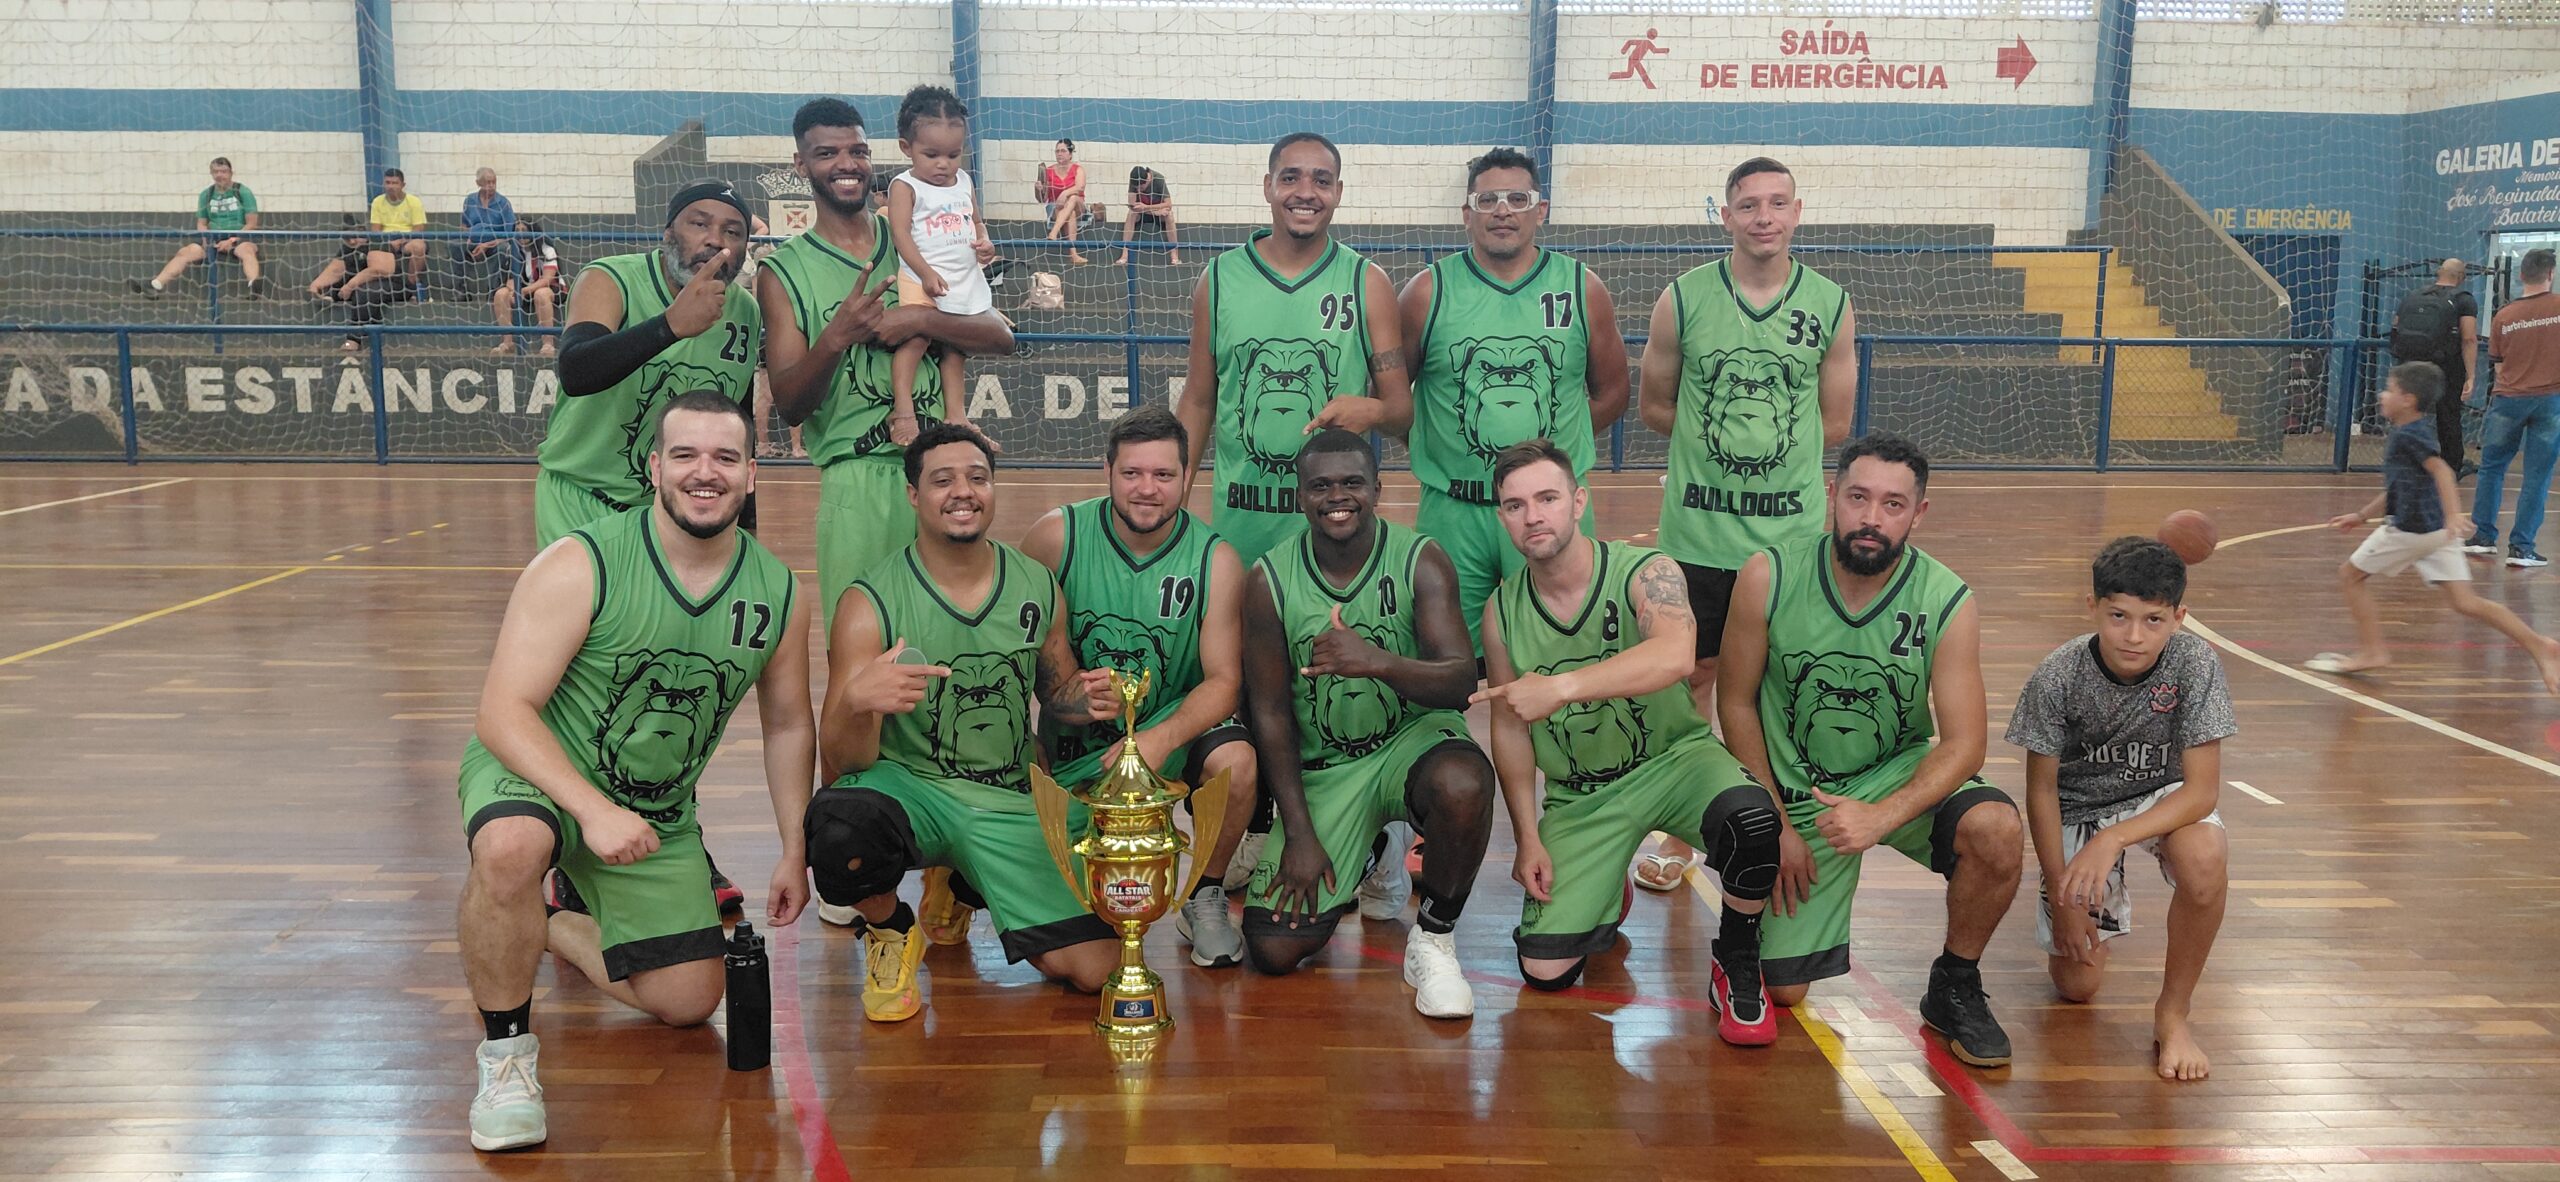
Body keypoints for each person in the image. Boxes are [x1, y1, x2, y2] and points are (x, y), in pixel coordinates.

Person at [454, 389, 814, 1153]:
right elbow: (503, 712)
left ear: (753, 473)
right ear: (654, 468)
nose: (703, 473)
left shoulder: (778, 591)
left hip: (653, 809)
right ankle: (507, 1059)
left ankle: (550, 925)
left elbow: (786, 722)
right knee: (513, 847)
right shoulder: (580, 562)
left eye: (724, 458)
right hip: (537, 774)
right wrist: (590, 812)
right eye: (685, 455)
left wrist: (793, 846)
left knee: (687, 1001)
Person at [1718, 433, 2023, 1068]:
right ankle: (1743, 945)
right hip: (1797, 792)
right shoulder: (1768, 575)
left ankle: (1955, 983)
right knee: (1786, 989)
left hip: (1895, 774)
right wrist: (1774, 822)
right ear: (1831, 496)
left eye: (1892, 504)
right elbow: (1736, 704)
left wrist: (1884, 814)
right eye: (1858, 498)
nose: (1871, 518)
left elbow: (1966, 743)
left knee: (1995, 829)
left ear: (1918, 513)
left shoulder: (1946, 599)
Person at [801, 423, 1123, 1021]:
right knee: (842, 826)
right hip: (914, 790)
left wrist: (1095, 698)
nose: (963, 491)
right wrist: (857, 701)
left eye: (977, 478)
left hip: (1005, 797)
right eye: (942, 479)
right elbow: (842, 768)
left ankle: (960, 882)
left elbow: (1056, 695)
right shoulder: (869, 602)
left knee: (1094, 972)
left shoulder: (1034, 584)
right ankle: (892, 930)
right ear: (912, 495)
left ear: (994, 489)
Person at [1475, 440, 1781, 1045]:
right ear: (1502, 517)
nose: (1533, 515)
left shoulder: (1647, 571)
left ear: (1578, 501)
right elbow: (1510, 727)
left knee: (1752, 820)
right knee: (1545, 969)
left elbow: (1675, 654)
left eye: (1547, 498)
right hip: (1583, 795)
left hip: (1676, 762)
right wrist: (1528, 836)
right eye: (1514, 505)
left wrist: (1561, 688)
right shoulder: (1501, 612)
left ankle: (1736, 959)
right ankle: (1604, 875)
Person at [1633, 157, 1857, 892]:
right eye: (1748, 205)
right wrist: (1715, 454)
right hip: (1697, 534)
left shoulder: (1829, 303)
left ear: (1798, 212)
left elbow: (1835, 420)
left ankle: (1780, 822)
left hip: (1787, 542)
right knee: (1686, 680)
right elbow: (1655, 405)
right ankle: (1675, 827)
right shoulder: (1684, 298)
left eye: (1777, 203)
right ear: (1724, 216)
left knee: (1777, 687)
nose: (1763, 216)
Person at [1237, 429, 1495, 1019]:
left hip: (1411, 742)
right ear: (1299, 495)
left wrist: (1376, 661)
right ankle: (1374, 844)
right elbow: (1271, 713)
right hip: (1329, 768)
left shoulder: (1420, 558)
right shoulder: (1268, 581)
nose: (1338, 496)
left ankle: (1433, 937)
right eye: (1321, 485)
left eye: (1353, 482)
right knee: (1274, 948)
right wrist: (1299, 832)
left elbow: (1459, 681)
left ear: (1377, 488)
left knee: (1463, 783)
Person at [757, 97, 1016, 632]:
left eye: (856, 150)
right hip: (858, 482)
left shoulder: (920, 236)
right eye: (826, 153)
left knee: (953, 648)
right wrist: (837, 337)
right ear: (801, 166)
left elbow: (1000, 335)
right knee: (863, 657)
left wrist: (918, 323)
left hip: (942, 472)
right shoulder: (783, 271)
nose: (845, 164)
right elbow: (789, 404)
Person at [1020, 406, 1257, 968]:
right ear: (1107, 470)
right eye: (1132, 473)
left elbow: (1224, 681)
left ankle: (1205, 893)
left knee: (1238, 763)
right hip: (1077, 750)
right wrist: (1070, 698)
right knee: (1079, 928)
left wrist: (1152, 740)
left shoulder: (1216, 561)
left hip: (1167, 731)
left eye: (1163, 475)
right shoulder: (1056, 537)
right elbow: (1017, 661)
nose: (1147, 489)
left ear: (1186, 476)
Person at [2006, 536, 2235, 1082]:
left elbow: (2202, 792)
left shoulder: (2196, 663)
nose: (2134, 635)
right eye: (2118, 616)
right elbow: (2040, 790)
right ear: (2092, 608)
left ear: (2179, 617)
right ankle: (2076, 916)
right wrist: (2061, 889)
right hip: (2080, 804)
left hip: (2162, 798)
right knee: (2077, 988)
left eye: (2153, 620)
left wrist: (2115, 841)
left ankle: (2173, 1013)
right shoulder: (2058, 675)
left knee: (2204, 858)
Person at [1399, 146, 1629, 651]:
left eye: (1517, 197)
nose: (1503, 210)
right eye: (1488, 199)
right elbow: (1395, 400)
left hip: (1550, 509)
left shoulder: (1581, 288)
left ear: (1540, 209)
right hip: (1455, 509)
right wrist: (1440, 445)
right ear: (1467, 214)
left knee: (1566, 654)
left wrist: (1549, 463)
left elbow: (1613, 391)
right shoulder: (1425, 292)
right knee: (1450, 662)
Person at [1176, 131, 1413, 568]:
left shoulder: (1368, 283)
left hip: (1335, 536)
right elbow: (1197, 399)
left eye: (1322, 181)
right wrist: (1176, 506)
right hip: (1241, 531)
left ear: (1338, 193)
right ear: (1268, 185)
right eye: (1291, 178)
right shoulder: (1219, 278)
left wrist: (1375, 412)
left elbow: (1401, 408)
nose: (1306, 193)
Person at [537, 181, 764, 549]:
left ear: (743, 250)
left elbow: (738, 424)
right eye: (699, 224)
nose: (714, 239)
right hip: (582, 500)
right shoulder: (610, 278)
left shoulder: (744, 311)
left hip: (672, 513)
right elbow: (576, 370)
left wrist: (746, 525)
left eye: (732, 231)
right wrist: (669, 326)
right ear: (668, 233)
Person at [2310, 362, 2560, 689]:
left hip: (2411, 532)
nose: (2382, 395)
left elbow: (2442, 471)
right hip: (2437, 534)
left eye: (2389, 390)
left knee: (2350, 576)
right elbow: (2398, 488)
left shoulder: (2409, 436)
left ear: (2408, 400)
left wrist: (2455, 513)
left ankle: (2372, 652)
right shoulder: (2410, 433)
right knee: (2466, 602)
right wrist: (2361, 515)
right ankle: (2540, 645)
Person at [886, 86, 998, 462]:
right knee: (915, 340)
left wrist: (985, 244)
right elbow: (900, 233)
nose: (943, 164)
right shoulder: (905, 186)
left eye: (953, 154)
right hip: (921, 278)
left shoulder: (964, 181)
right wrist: (925, 272)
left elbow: (977, 222)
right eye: (930, 154)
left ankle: (957, 415)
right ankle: (903, 408)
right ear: (906, 147)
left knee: (956, 349)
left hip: (961, 278)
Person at [2464, 248, 2560, 568]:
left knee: (2492, 468)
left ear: (2521, 275)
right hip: (2551, 400)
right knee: (2537, 474)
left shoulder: (2503, 316)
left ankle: (2483, 537)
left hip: (2508, 398)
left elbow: (2499, 363)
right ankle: (2521, 547)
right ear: (2551, 274)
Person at [2388, 258, 2480, 474]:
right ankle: (2451, 466)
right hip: (2446, 366)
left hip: (2410, 364)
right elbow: (2468, 339)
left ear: (2439, 273)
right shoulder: (2464, 300)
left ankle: (2407, 460)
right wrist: (2471, 375)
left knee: (2410, 412)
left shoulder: (2413, 296)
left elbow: (2395, 327)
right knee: (2448, 414)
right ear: (2461, 277)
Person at [132, 156, 266, 300]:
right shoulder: (206, 194)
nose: (220, 175)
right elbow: (202, 222)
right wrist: (205, 238)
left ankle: (254, 287)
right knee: (185, 252)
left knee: (246, 250)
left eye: (223, 171)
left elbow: (251, 223)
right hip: (213, 236)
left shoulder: (243, 192)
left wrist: (232, 240)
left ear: (231, 173)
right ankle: (155, 285)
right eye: (216, 172)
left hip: (240, 235)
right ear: (211, 173)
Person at [464, 168, 521, 352]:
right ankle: (461, 290)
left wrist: (486, 245)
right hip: (474, 240)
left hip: (496, 242)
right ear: (478, 183)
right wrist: (468, 241)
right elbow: (464, 225)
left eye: (493, 182)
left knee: (503, 249)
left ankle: (494, 289)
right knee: (455, 247)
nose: (491, 186)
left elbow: (508, 234)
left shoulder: (503, 203)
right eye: (487, 182)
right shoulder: (470, 201)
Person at [498, 217, 564, 356]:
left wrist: (524, 290)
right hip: (523, 290)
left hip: (551, 289)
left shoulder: (546, 249)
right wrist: (512, 291)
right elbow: (510, 278)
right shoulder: (512, 250)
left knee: (541, 293)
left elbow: (548, 278)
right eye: (517, 231)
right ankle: (507, 342)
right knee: (500, 294)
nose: (520, 234)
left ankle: (548, 344)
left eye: (524, 230)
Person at [368, 167, 430, 296]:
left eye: (395, 183)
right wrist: (388, 243)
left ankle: (411, 283)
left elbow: (418, 229)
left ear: (403, 185)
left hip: (407, 240)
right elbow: (375, 229)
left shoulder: (414, 201)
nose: (391, 186)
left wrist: (401, 240)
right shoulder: (377, 202)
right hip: (385, 241)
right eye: (388, 183)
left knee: (419, 246)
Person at [1115, 166, 1181, 266]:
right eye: (1136, 188)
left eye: (1141, 188)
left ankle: (1174, 254)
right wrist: (1151, 211)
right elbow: (1132, 205)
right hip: (1146, 212)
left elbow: (1168, 204)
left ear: (1147, 180)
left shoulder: (1158, 179)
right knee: (1131, 214)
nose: (1138, 190)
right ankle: (1124, 254)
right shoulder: (1135, 181)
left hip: (1158, 213)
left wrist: (1147, 207)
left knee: (1170, 215)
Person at [1041, 139, 1090, 265]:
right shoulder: (1049, 171)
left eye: (1063, 151)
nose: (1059, 154)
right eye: (1057, 151)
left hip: (1078, 205)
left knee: (1072, 198)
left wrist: (1064, 193)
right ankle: (1073, 254)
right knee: (1071, 214)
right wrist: (1038, 190)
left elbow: (1080, 187)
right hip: (1057, 208)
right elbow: (1041, 198)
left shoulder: (1078, 169)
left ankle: (1054, 231)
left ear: (1070, 153)